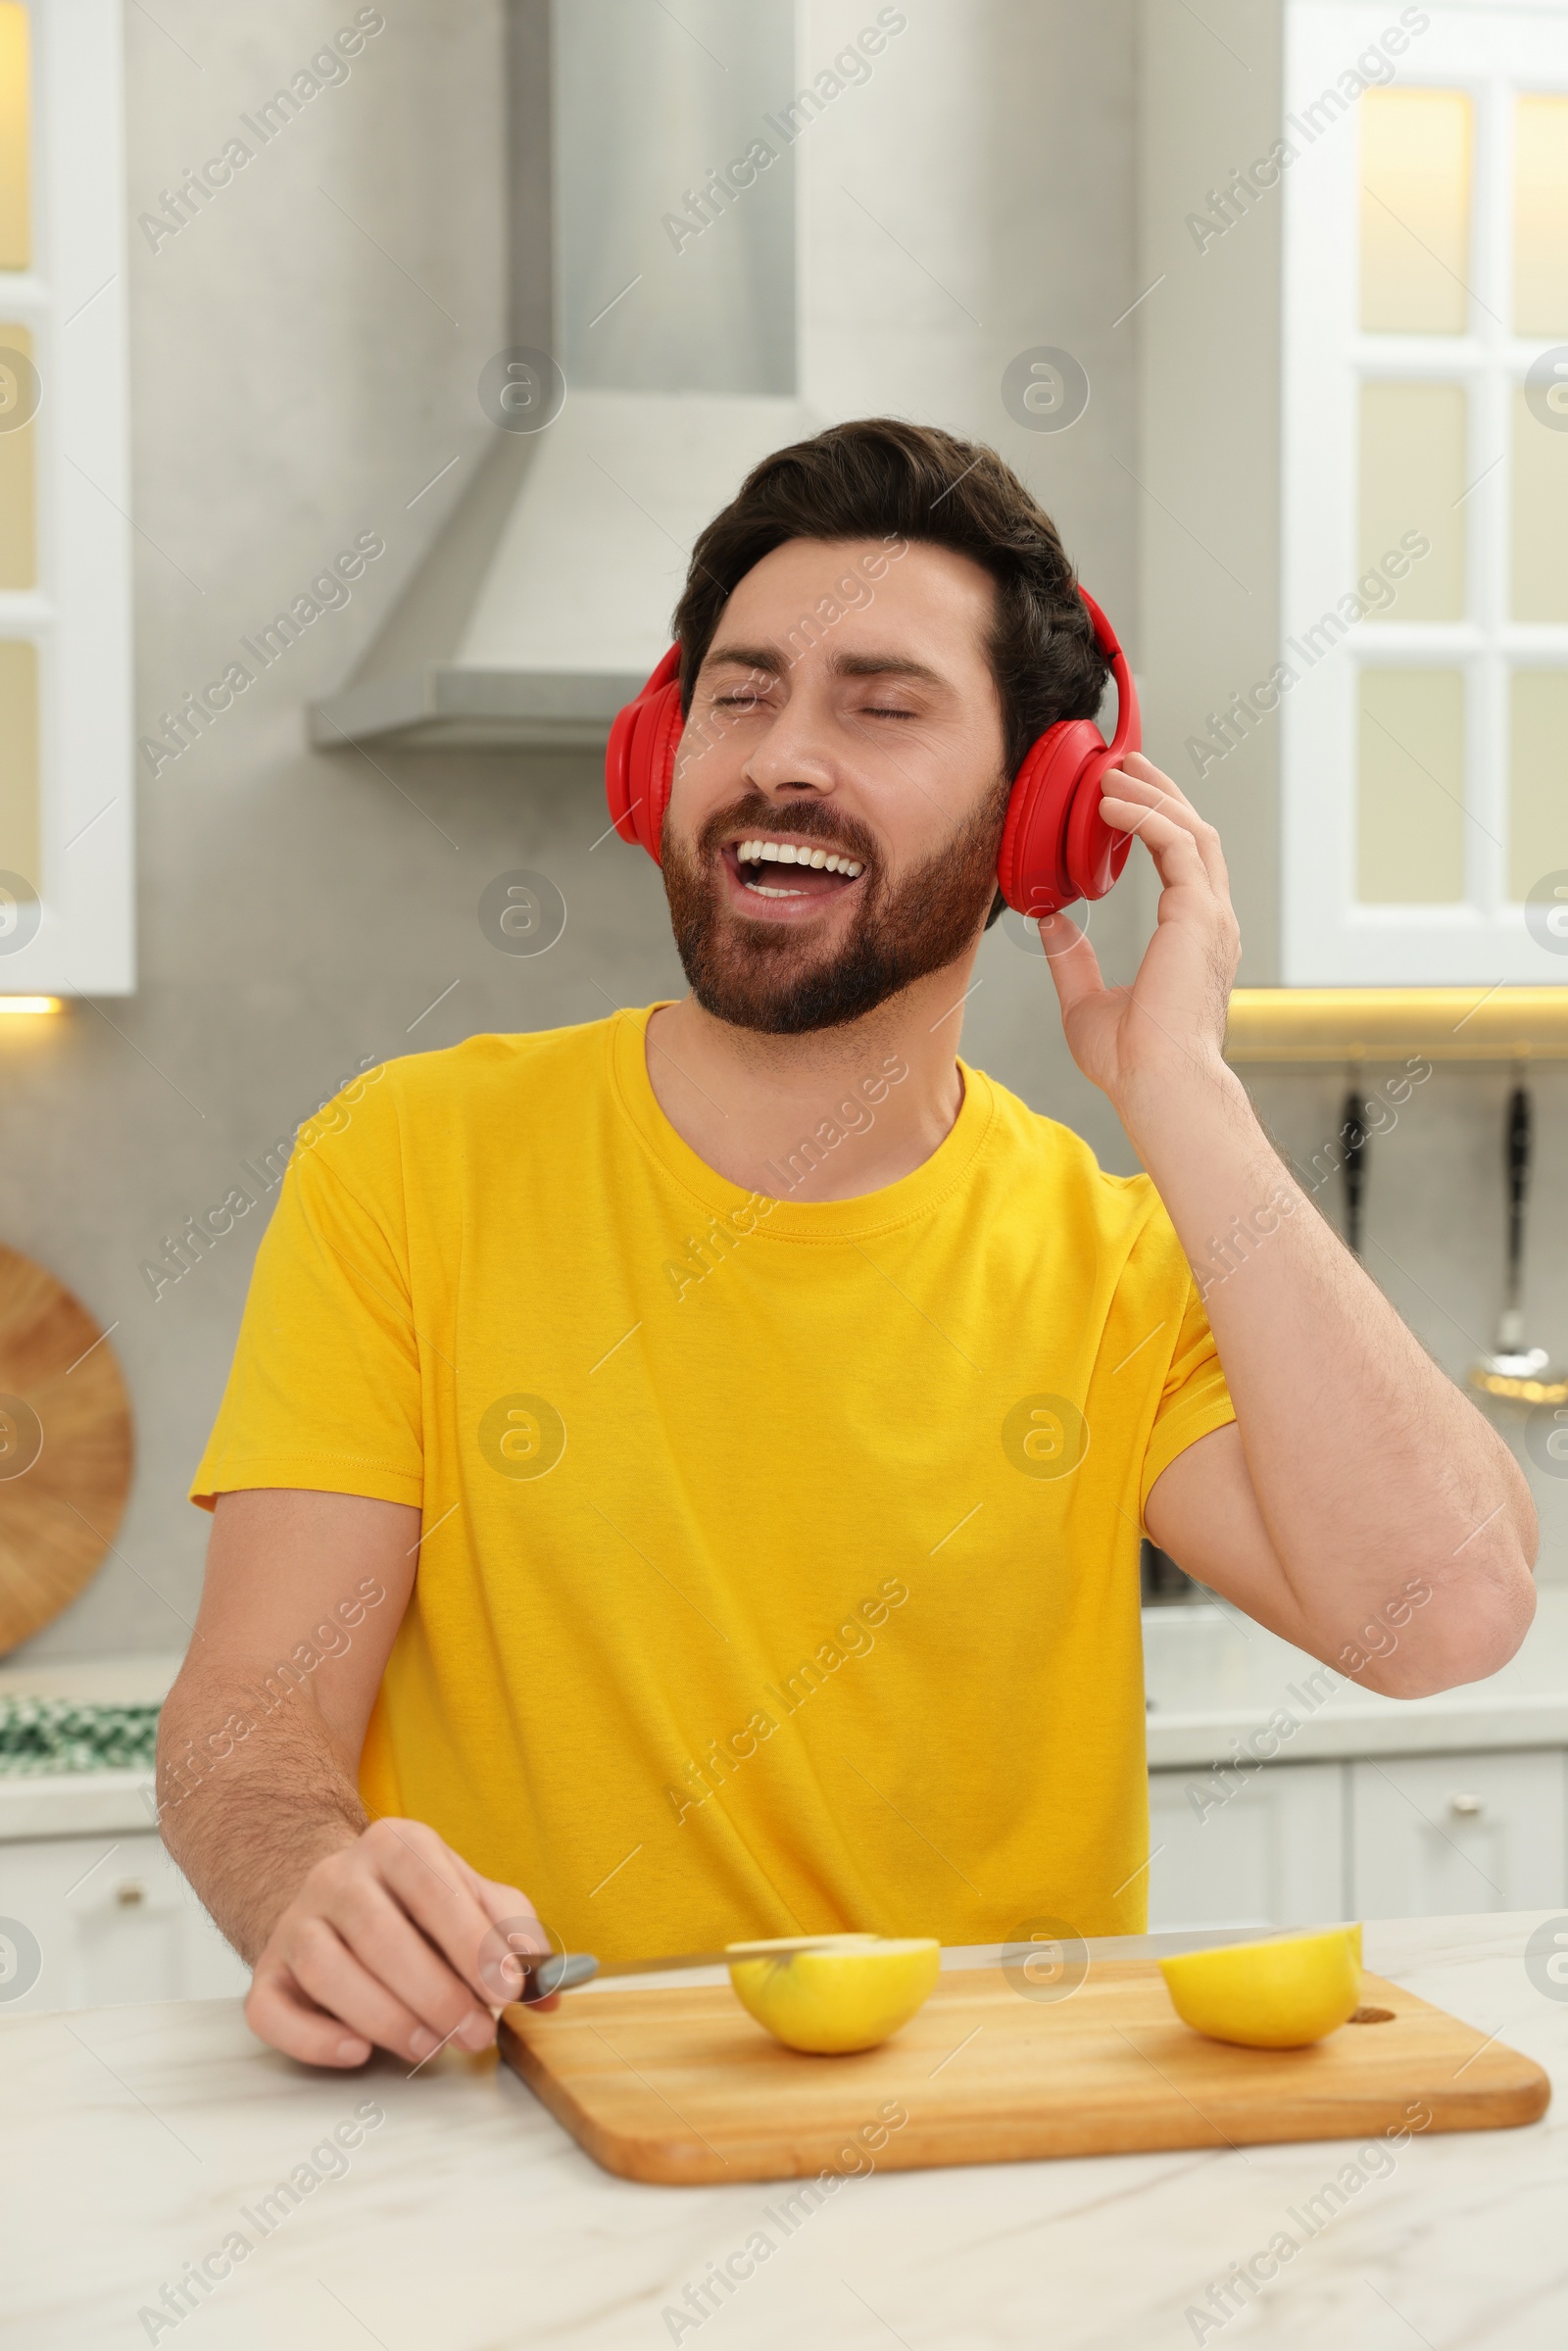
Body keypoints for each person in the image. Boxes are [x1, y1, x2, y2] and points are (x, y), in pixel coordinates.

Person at [158, 417, 1536, 2072]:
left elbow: (1446, 1613)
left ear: (1046, 815)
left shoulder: (1112, 1260)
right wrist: (310, 1878)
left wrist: (1186, 1097)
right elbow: (250, 1714)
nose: (780, 758)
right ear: (658, 755)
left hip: (990, 2185)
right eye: (738, 696)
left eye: (881, 707)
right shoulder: (407, 1161)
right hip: (529, 2147)